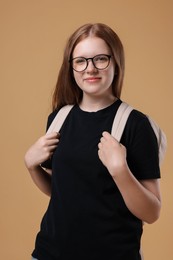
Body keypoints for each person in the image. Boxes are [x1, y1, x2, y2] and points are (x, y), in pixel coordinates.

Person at [24, 23, 161, 260]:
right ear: (71, 67)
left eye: (100, 59)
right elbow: (63, 193)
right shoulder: (58, 118)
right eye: (81, 61)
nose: (90, 69)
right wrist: (31, 166)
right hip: (49, 253)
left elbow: (151, 212)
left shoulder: (136, 125)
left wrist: (120, 170)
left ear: (116, 64)